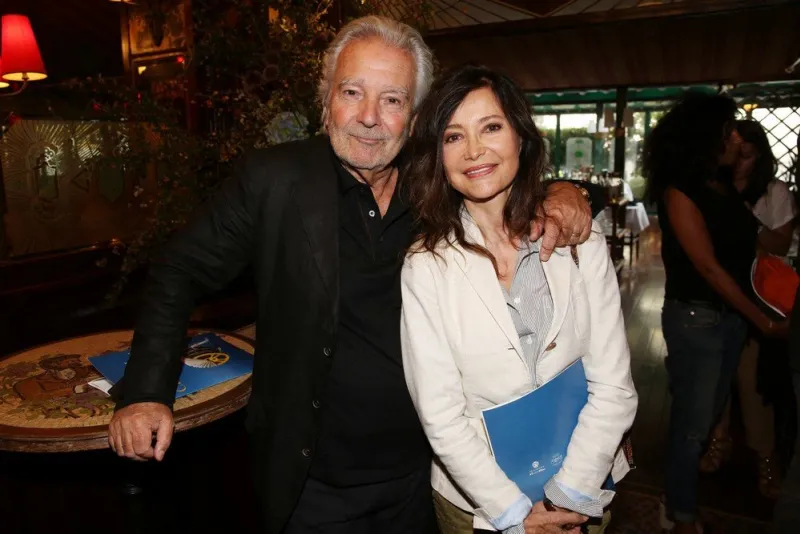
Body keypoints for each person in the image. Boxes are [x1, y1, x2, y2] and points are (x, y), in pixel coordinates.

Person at [106, 16, 593, 534]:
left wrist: (563, 194)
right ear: (325, 101)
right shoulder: (274, 182)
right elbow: (179, 269)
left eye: (392, 99)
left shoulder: (441, 188)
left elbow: (503, 179)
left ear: (415, 115)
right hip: (312, 481)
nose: (368, 117)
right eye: (352, 92)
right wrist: (144, 391)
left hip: (429, 475)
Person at [400, 64, 637, 534]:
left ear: (521, 138)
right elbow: (441, 417)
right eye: (453, 136)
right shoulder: (425, 267)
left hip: (583, 490)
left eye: (491, 127)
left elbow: (614, 385)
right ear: (438, 156)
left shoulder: (577, 241)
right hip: (479, 505)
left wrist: (567, 494)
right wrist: (517, 515)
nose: (474, 151)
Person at [643, 93, 789, 534]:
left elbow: (752, 247)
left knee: (707, 419)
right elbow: (707, 267)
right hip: (697, 319)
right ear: (707, 137)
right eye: (729, 131)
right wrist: (761, 319)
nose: (736, 139)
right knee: (692, 426)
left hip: (727, 318)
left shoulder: (720, 186)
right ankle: (679, 512)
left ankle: (678, 498)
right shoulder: (680, 193)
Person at [700, 119, 798, 498]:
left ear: (759, 154)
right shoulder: (711, 188)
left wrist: (743, 221)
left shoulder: (773, 192)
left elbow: (779, 244)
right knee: (715, 381)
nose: (738, 160)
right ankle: (718, 442)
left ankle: (766, 459)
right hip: (715, 292)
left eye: (746, 152)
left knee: (754, 383)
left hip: (758, 295)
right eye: (733, 150)